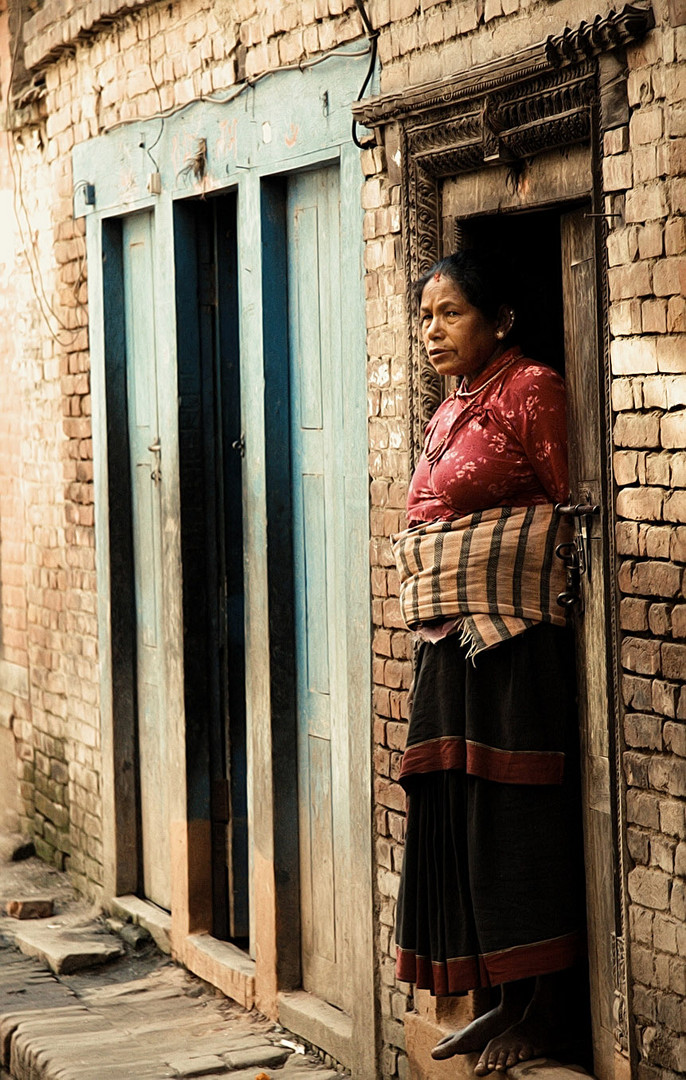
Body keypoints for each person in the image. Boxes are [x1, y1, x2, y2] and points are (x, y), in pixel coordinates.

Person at [392, 250, 587, 1075]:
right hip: (450, 648)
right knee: (460, 820)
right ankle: (502, 1000)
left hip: (511, 651)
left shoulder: (530, 388)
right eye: (426, 316)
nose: (432, 331)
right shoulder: (451, 407)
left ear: (500, 319)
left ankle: (547, 1011)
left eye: (451, 314)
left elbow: (567, 512)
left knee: (515, 823)